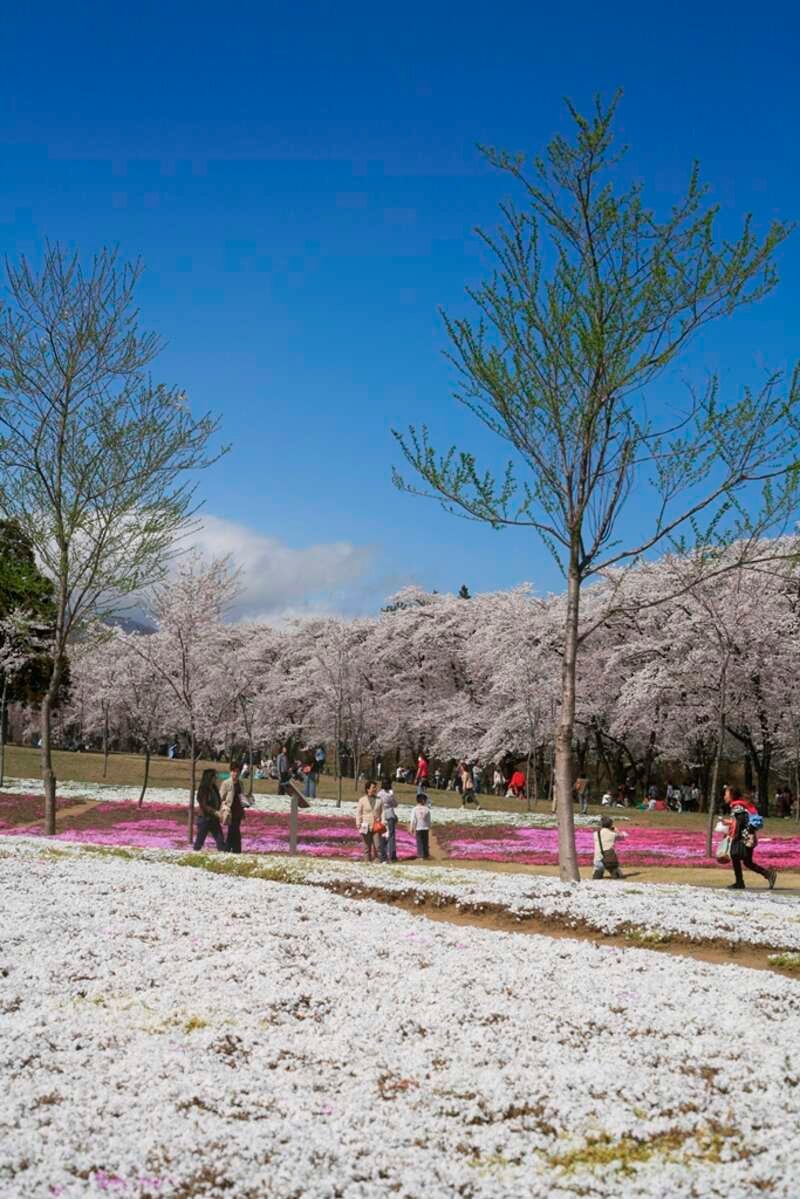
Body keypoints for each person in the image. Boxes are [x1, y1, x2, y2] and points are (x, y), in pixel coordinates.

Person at [723, 786, 777, 891]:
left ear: (732, 795)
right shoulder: (739, 805)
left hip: (743, 837)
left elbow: (741, 822)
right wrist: (729, 823)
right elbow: (740, 821)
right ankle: (768, 874)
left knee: (735, 855)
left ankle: (740, 882)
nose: (724, 796)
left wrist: (731, 835)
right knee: (747, 861)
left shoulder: (737, 806)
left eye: (726, 794)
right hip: (747, 836)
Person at [193, 768, 226, 852]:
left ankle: (223, 855)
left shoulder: (214, 788)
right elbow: (204, 805)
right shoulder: (203, 789)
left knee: (220, 840)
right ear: (209, 777)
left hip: (214, 819)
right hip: (205, 819)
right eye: (214, 776)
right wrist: (215, 812)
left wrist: (221, 809)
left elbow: (218, 800)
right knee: (199, 841)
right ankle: (195, 855)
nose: (216, 778)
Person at [219, 763, 248, 854]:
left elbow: (242, 796)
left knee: (234, 830)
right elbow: (220, 797)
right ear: (230, 772)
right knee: (233, 830)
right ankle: (233, 850)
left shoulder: (240, 783)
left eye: (237, 772)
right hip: (230, 811)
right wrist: (224, 805)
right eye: (233, 771)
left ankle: (232, 850)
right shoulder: (226, 783)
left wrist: (246, 802)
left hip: (238, 811)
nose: (235, 773)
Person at [355, 780, 379, 862]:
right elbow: (358, 812)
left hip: (376, 825)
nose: (375, 789)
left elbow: (382, 812)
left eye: (376, 787)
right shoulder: (362, 800)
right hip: (365, 825)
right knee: (366, 846)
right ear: (368, 789)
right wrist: (358, 823)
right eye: (373, 787)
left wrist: (383, 822)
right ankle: (367, 862)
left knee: (377, 845)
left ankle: (377, 861)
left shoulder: (379, 800)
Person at [377, 777, 399, 862]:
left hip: (382, 816)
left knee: (382, 836)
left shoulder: (379, 794)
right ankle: (392, 855)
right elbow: (395, 804)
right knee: (391, 836)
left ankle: (383, 855)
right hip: (390, 815)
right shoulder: (390, 794)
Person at [409, 793, 431, 859]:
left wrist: (412, 827)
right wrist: (429, 826)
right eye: (426, 800)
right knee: (425, 842)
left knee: (419, 842)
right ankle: (426, 854)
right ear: (423, 801)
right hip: (425, 828)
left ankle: (421, 855)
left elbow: (413, 819)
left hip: (418, 828)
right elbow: (428, 820)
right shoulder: (427, 809)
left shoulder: (415, 809)